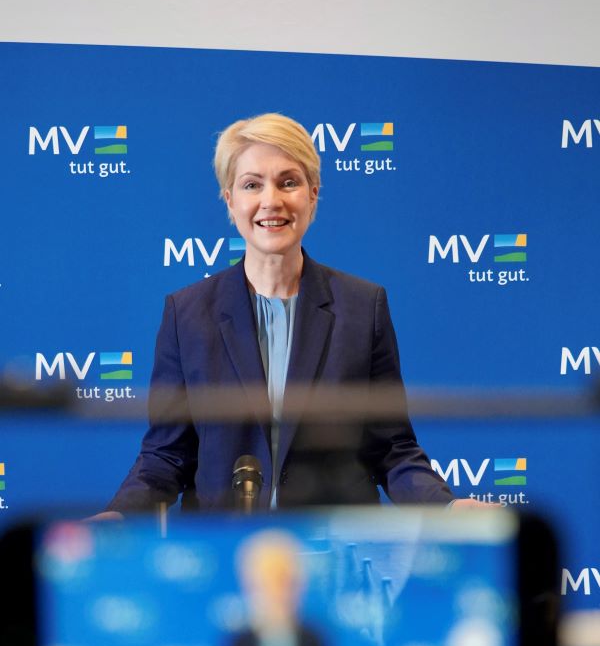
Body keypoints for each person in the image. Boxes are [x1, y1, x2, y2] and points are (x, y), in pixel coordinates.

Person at [99, 112, 461, 517]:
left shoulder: (364, 306)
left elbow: (393, 449)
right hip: (223, 553)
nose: (271, 200)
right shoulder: (186, 314)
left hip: (332, 550)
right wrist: (118, 516)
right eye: (252, 184)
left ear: (313, 194)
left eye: (288, 182)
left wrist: (446, 508)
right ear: (230, 200)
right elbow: (165, 458)